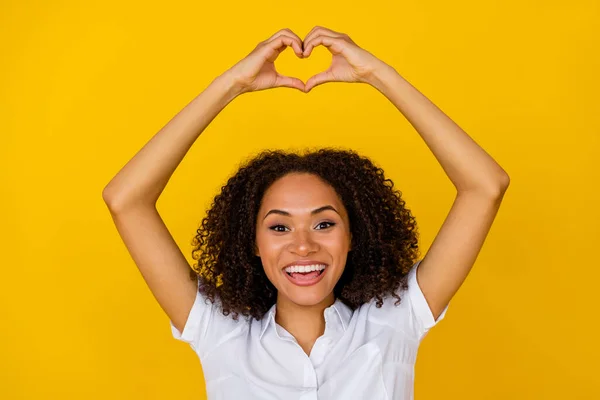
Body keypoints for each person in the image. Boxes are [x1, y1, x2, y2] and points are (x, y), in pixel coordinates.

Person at [102, 26, 510, 400]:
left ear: (352, 237)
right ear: (255, 245)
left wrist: (378, 75)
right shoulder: (220, 334)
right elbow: (125, 200)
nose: (303, 245)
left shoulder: (393, 322)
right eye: (279, 226)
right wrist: (232, 85)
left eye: (324, 223)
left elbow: (485, 186)